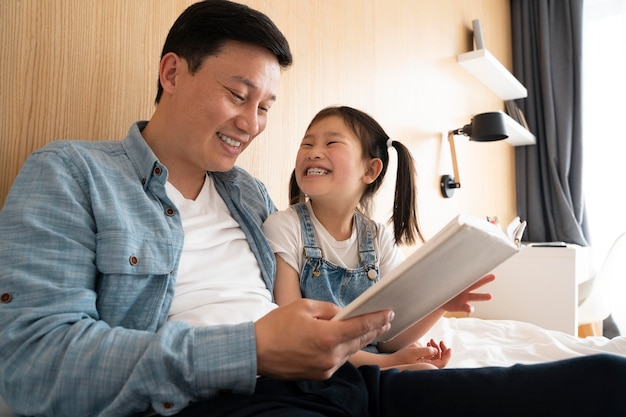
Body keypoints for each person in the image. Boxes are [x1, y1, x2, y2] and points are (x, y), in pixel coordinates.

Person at [0, 1, 625, 416]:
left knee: (602, 379)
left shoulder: (246, 195)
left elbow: (300, 329)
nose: (253, 124)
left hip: (339, 381)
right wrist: (250, 352)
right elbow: (27, 364)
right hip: (224, 397)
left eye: (267, 107)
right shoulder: (73, 174)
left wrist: (404, 316)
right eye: (238, 95)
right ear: (172, 72)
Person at [263, 105, 498, 370]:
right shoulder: (284, 227)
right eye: (306, 143)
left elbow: (388, 338)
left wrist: (442, 304)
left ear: (371, 170)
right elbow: (297, 336)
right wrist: (389, 364)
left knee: (426, 370)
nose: (313, 152)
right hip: (316, 366)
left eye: (331, 143)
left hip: (370, 362)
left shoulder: (378, 239)